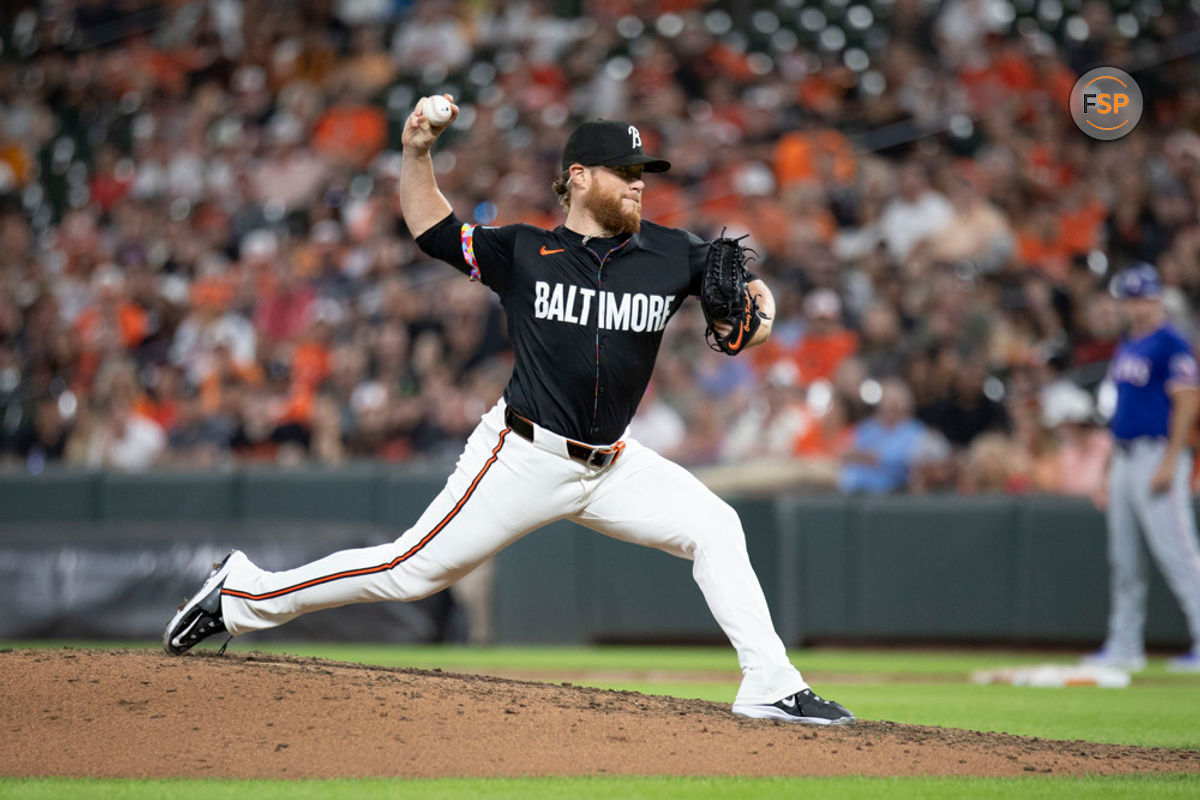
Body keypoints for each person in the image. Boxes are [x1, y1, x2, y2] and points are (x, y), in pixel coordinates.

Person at [163, 99, 855, 725]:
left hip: (614, 462)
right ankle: (242, 593)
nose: (639, 182)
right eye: (624, 171)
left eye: (644, 171)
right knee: (411, 570)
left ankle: (770, 683)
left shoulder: (671, 253)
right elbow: (432, 229)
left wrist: (760, 314)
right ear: (579, 177)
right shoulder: (525, 249)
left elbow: (746, 294)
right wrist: (416, 153)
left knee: (716, 525)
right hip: (523, 453)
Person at [1084, 263, 1200, 673]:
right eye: (1130, 299)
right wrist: (1104, 472)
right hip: (1127, 457)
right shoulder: (1128, 344)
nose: (1136, 306)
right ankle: (1124, 646)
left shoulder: (1172, 341)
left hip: (1157, 453)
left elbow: (1187, 401)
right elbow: (1123, 414)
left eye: (1143, 298)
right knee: (1125, 560)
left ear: (1157, 299)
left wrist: (1172, 459)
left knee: (1180, 554)